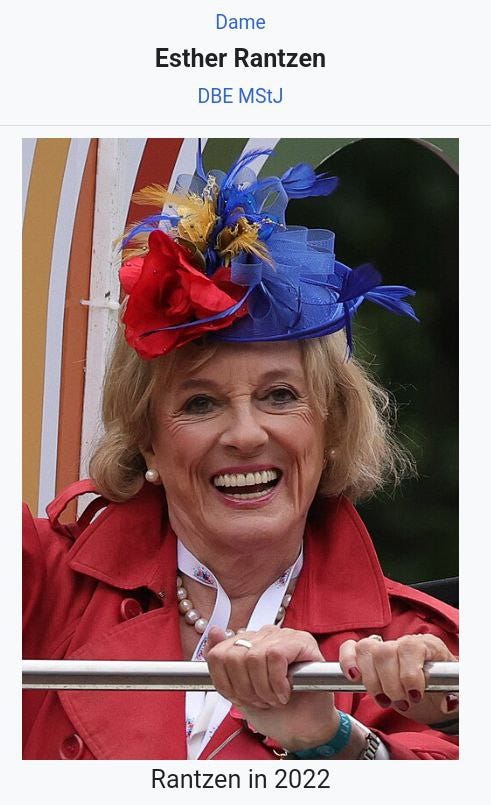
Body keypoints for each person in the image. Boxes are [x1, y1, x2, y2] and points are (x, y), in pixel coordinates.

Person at [23, 144, 458, 760]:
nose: (246, 435)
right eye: (200, 403)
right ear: (147, 438)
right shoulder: (38, 580)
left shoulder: (422, 653)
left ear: (332, 426)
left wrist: (330, 741)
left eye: (280, 396)